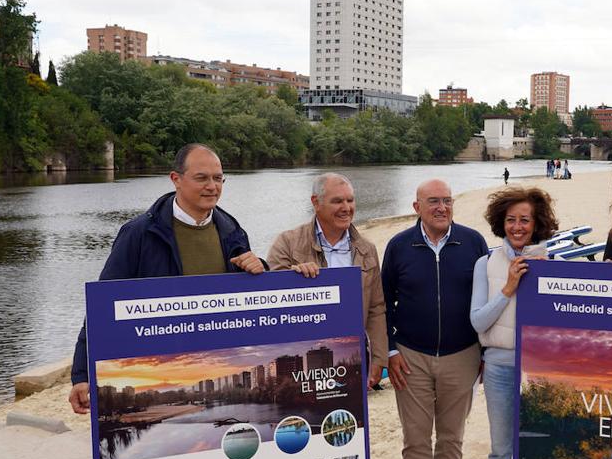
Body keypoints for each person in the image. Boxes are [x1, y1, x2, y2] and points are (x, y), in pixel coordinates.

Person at [68, 143, 266, 414]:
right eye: (202, 178)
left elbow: (248, 299)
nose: (212, 186)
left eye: (218, 178)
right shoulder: (139, 234)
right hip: (167, 360)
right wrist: (81, 375)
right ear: (176, 179)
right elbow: (102, 308)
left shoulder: (232, 230)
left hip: (216, 361)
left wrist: (260, 267)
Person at [382, 179, 489, 459]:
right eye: (433, 202)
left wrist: (485, 353)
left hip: (463, 355)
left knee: (451, 438)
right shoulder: (398, 247)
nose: (441, 207)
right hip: (411, 356)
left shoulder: (473, 243)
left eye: (446, 200)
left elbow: (487, 300)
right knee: (415, 439)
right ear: (417, 207)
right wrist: (391, 351)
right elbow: (383, 304)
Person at [466, 186, 557, 459]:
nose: (517, 227)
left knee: (541, 448)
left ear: (537, 224)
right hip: (500, 367)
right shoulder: (485, 264)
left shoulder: (554, 263)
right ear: (500, 222)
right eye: (511, 220)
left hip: (540, 371)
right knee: (501, 449)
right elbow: (477, 322)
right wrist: (508, 288)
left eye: (525, 219)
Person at [267, 173, 386, 386]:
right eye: (337, 201)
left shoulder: (367, 250)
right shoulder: (287, 243)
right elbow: (270, 304)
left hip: (350, 357)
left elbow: (376, 308)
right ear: (316, 202)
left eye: (350, 200)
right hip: (305, 362)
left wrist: (379, 358)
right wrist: (293, 277)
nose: (346, 207)